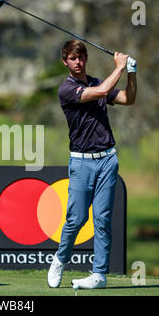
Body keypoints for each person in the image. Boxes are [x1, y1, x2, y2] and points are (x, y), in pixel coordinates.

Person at [47, 40, 137, 289]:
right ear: (65, 61)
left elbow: (128, 99)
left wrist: (131, 72)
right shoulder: (66, 89)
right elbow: (98, 93)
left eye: (81, 57)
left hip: (107, 159)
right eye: (72, 58)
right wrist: (119, 67)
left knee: (103, 218)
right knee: (76, 219)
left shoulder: (98, 82)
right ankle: (60, 259)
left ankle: (99, 274)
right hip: (81, 162)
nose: (78, 62)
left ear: (86, 59)